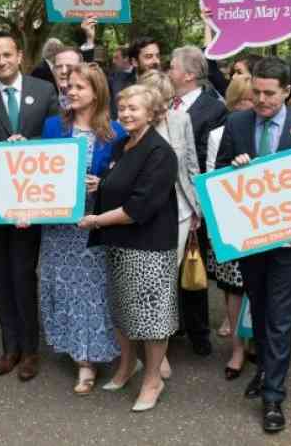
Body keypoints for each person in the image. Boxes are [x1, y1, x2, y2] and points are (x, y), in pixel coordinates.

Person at [215, 57, 291, 433]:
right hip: (251, 240)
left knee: (280, 317)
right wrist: (234, 166)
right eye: (256, 92)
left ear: (287, 92)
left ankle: (274, 397)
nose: (261, 100)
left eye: (269, 94)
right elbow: (217, 176)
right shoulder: (236, 123)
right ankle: (264, 370)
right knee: (259, 311)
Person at [78, 84, 179, 412]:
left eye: (134, 108)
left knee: (152, 319)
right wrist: (100, 184)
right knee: (121, 311)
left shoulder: (160, 153)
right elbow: (117, 182)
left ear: (152, 113)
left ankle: (153, 379)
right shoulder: (122, 144)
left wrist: (96, 221)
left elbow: (140, 207)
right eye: (122, 108)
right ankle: (126, 366)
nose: (126, 114)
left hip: (148, 247)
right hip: (119, 244)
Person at [0, 31, 58, 381]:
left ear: (19, 55)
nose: (1, 62)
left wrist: (26, 147)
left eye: (6, 55)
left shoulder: (44, 91)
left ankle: (31, 350)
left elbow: (55, 142)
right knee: (0, 276)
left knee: (23, 273)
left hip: (32, 204)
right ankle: (10, 347)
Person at [39, 63, 124, 395]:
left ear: (97, 92)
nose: (71, 92)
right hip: (58, 223)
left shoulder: (116, 131)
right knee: (63, 288)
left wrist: (102, 184)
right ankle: (81, 359)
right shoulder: (51, 127)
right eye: (69, 87)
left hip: (94, 223)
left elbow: (126, 180)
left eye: (79, 87)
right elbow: (35, 168)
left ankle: (95, 355)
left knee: (92, 290)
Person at [167, 45, 228, 356]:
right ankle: (171, 325)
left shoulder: (214, 108)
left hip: (193, 200)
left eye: (173, 67)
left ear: (188, 74)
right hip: (164, 201)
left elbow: (208, 156)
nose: (168, 72)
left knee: (194, 263)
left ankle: (198, 332)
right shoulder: (165, 103)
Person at [140, 70, 201, 373]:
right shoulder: (131, 123)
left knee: (166, 283)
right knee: (147, 281)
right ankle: (148, 343)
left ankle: (158, 348)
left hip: (179, 212)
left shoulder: (181, 120)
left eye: (169, 101)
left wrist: (196, 210)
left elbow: (191, 164)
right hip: (143, 217)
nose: (164, 109)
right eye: (158, 102)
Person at [205, 74, 255, 379]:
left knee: (260, 288)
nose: (254, 104)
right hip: (232, 222)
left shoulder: (277, 130)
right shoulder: (218, 134)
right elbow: (213, 178)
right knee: (234, 289)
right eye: (247, 99)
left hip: (269, 222)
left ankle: (257, 342)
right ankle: (238, 349)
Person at [203, 9, 291, 96]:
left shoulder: (272, 95)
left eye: (239, 72)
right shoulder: (229, 92)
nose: (233, 77)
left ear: (255, 74)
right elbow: (210, 65)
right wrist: (208, 25)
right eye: (233, 72)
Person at [104, 36, 163, 118]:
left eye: (157, 56)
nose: (156, 61)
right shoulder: (116, 83)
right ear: (134, 62)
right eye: (149, 57)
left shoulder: (167, 86)